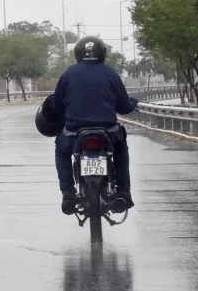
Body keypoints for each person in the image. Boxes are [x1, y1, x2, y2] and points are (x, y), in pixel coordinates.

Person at [51, 36, 137, 215]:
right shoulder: (110, 73)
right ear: (103, 54)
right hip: (108, 132)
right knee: (121, 150)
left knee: (61, 150)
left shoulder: (68, 74)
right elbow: (123, 106)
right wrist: (133, 103)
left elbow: (57, 106)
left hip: (74, 132)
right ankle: (123, 192)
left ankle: (68, 193)